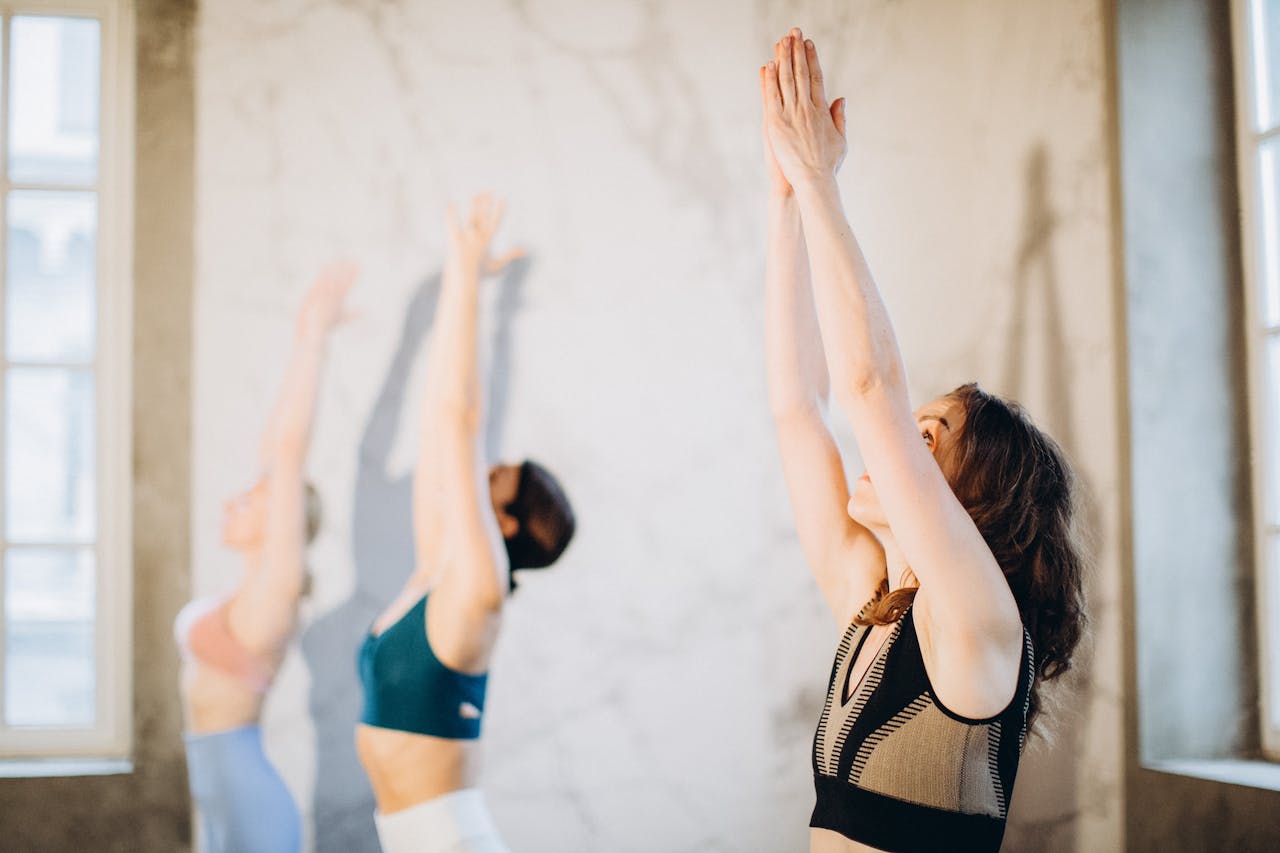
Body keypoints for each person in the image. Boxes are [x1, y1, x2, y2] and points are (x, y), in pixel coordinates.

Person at [760, 28, 1087, 853]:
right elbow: (798, 405)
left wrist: (821, 181)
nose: (894, 445)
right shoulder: (872, 601)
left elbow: (868, 390)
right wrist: (785, 205)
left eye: (926, 437)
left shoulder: (982, 626)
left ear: (971, 498)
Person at [355, 194, 575, 853]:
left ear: (505, 521)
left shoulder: (479, 588)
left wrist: (462, 270)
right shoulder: (444, 570)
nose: (474, 473)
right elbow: (438, 423)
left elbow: (459, 421)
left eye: (493, 474)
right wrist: (470, 284)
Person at [174, 264, 356, 853]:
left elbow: (285, 451)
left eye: (252, 500)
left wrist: (311, 340)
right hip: (222, 801)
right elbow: (272, 455)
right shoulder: (248, 591)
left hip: (250, 809)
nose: (233, 502)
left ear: (282, 522)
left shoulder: (275, 589)